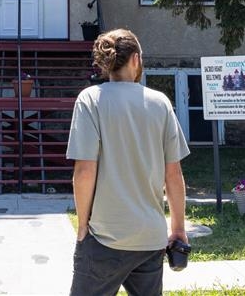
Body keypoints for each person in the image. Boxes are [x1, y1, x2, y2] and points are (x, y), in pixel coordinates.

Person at [66, 28, 190, 296]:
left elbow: (85, 171)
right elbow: (174, 175)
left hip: (104, 236)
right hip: (150, 238)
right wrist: (178, 228)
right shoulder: (161, 103)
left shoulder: (90, 100)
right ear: (135, 59)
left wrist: (83, 226)